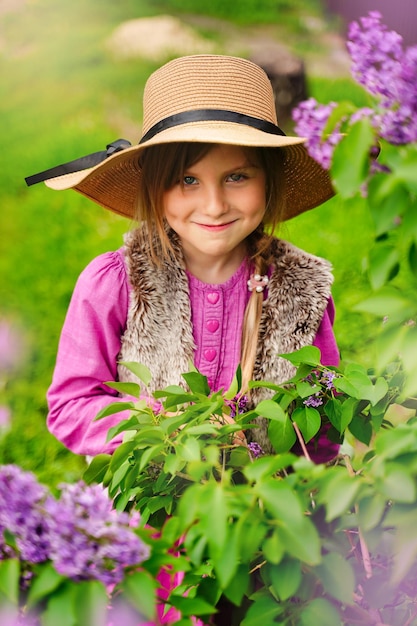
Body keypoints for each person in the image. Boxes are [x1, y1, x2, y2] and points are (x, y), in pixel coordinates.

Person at [26, 54, 339, 463]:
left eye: (237, 177)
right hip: (144, 521)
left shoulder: (303, 289)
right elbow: (71, 406)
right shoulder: (117, 282)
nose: (213, 206)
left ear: (270, 181)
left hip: (261, 515)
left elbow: (323, 427)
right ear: (155, 187)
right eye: (187, 180)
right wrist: (154, 421)